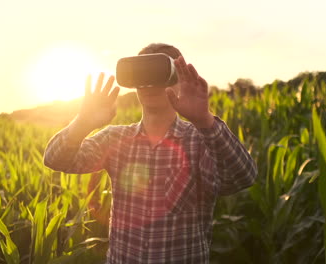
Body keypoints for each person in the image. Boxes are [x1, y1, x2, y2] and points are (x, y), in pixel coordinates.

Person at [43, 43, 257, 264]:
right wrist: (83, 123)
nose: (149, 83)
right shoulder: (115, 139)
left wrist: (205, 121)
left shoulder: (200, 141)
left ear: (180, 80)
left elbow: (242, 177)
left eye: (160, 73)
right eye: (141, 74)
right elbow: (55, 159)